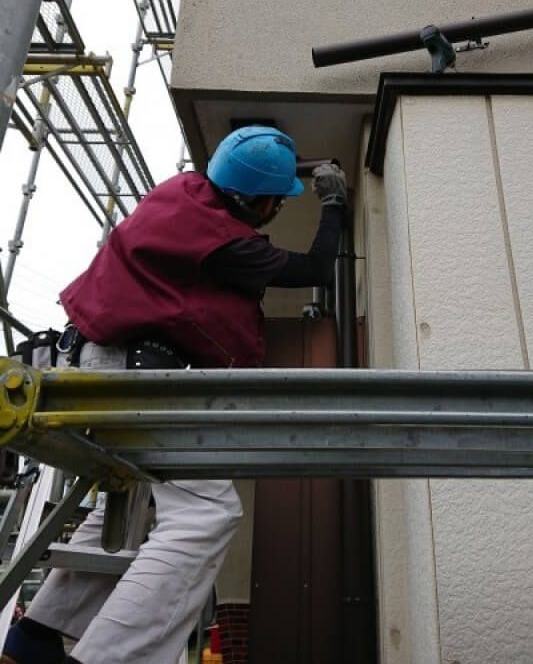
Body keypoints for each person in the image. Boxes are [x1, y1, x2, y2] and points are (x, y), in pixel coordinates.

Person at [2, 125, 347, 664]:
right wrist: (333, 205)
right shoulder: (229, 245)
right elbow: (314, 268)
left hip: (99, 365)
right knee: (205, 513)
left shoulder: (181, 194)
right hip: (137, 373)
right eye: (277, 201)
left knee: (129, 503)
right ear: (256, 200)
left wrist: (285, 168)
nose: (279, 208)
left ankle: (35, 638)